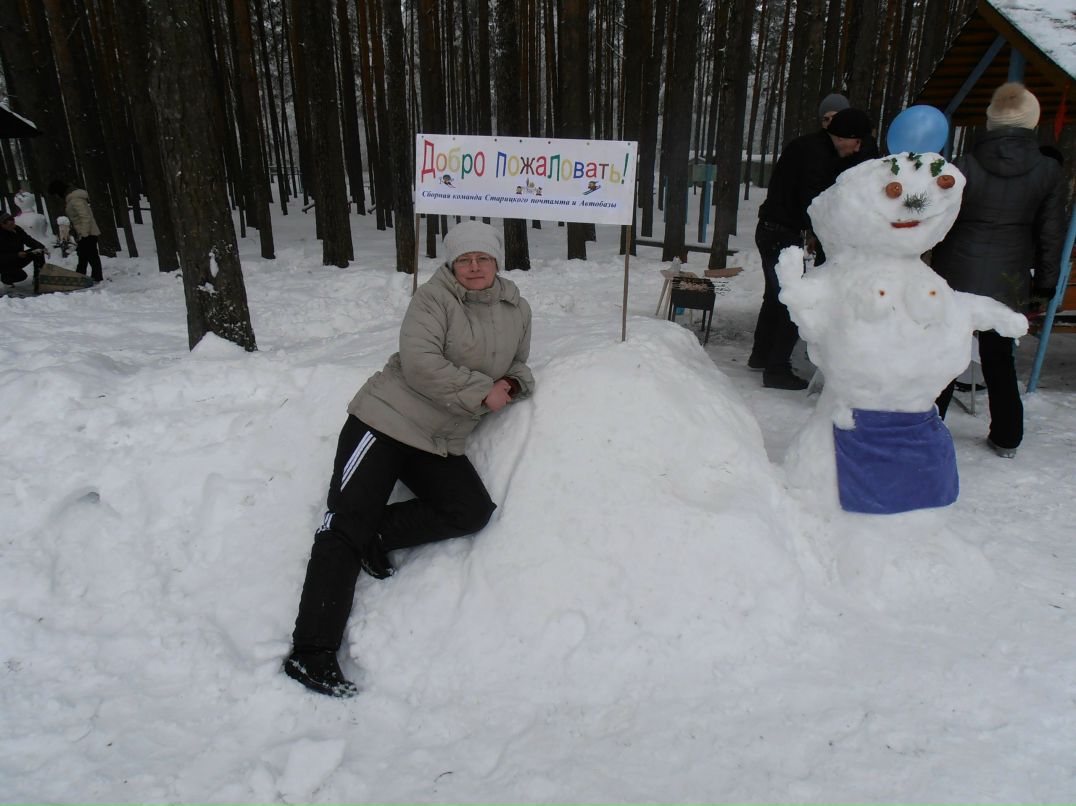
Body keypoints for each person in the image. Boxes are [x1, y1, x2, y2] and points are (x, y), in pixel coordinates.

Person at [284, 221, 535, 698]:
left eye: (482, 258)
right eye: (464, 260)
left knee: (470, 510)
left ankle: (377, 537)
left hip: (439, 435)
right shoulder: (434, 299)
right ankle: (311, 653)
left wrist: (515, 385)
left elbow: (519, 364)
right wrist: (484, 391)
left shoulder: (516, 308)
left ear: (497, 261)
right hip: (386, 420)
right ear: (451, 264)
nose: (474, 267)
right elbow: (420, 365)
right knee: (343, 526)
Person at [931, 83, 1065, 459]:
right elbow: (1051, 235)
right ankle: (1007, 435)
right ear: (1032, 120)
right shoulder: (1048, 171)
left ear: (991, 122)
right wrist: (1046, 287)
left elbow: (940, 224)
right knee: (998, 357)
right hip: (1009, 277)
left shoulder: (963, 165)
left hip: (955, 272)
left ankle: (929, 429)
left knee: (946, 352)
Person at [749, 106, 872, 390]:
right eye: (858, 142)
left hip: (773, 229)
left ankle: (761, 356)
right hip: (779, 232)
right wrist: (829, 232)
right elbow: (813, 204)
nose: (857, 149)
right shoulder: (814, 154)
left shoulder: (814, 147)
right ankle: (776, 369)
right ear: (847, 136)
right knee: (792, 301)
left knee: (775, 297)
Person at [47, 180, 103, 283]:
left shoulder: (75, 199)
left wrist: (84, 234)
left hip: (87, 233)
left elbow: (85, 217)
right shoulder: (72, 198)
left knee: (90, 255)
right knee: (83, 255)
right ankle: (82, 276)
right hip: (84, 233)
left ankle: (94, 277)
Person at [0, 210, 47, 287]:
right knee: (21, 276)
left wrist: (41, 247)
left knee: (38, 252)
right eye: (9, 223)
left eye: (12, 220)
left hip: (18, 258)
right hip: (4, 264)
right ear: (2, 224)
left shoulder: (17, 229)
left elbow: (28, 240)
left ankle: (38, 279)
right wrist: (16, 255)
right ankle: (5, 278)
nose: (12, 224)